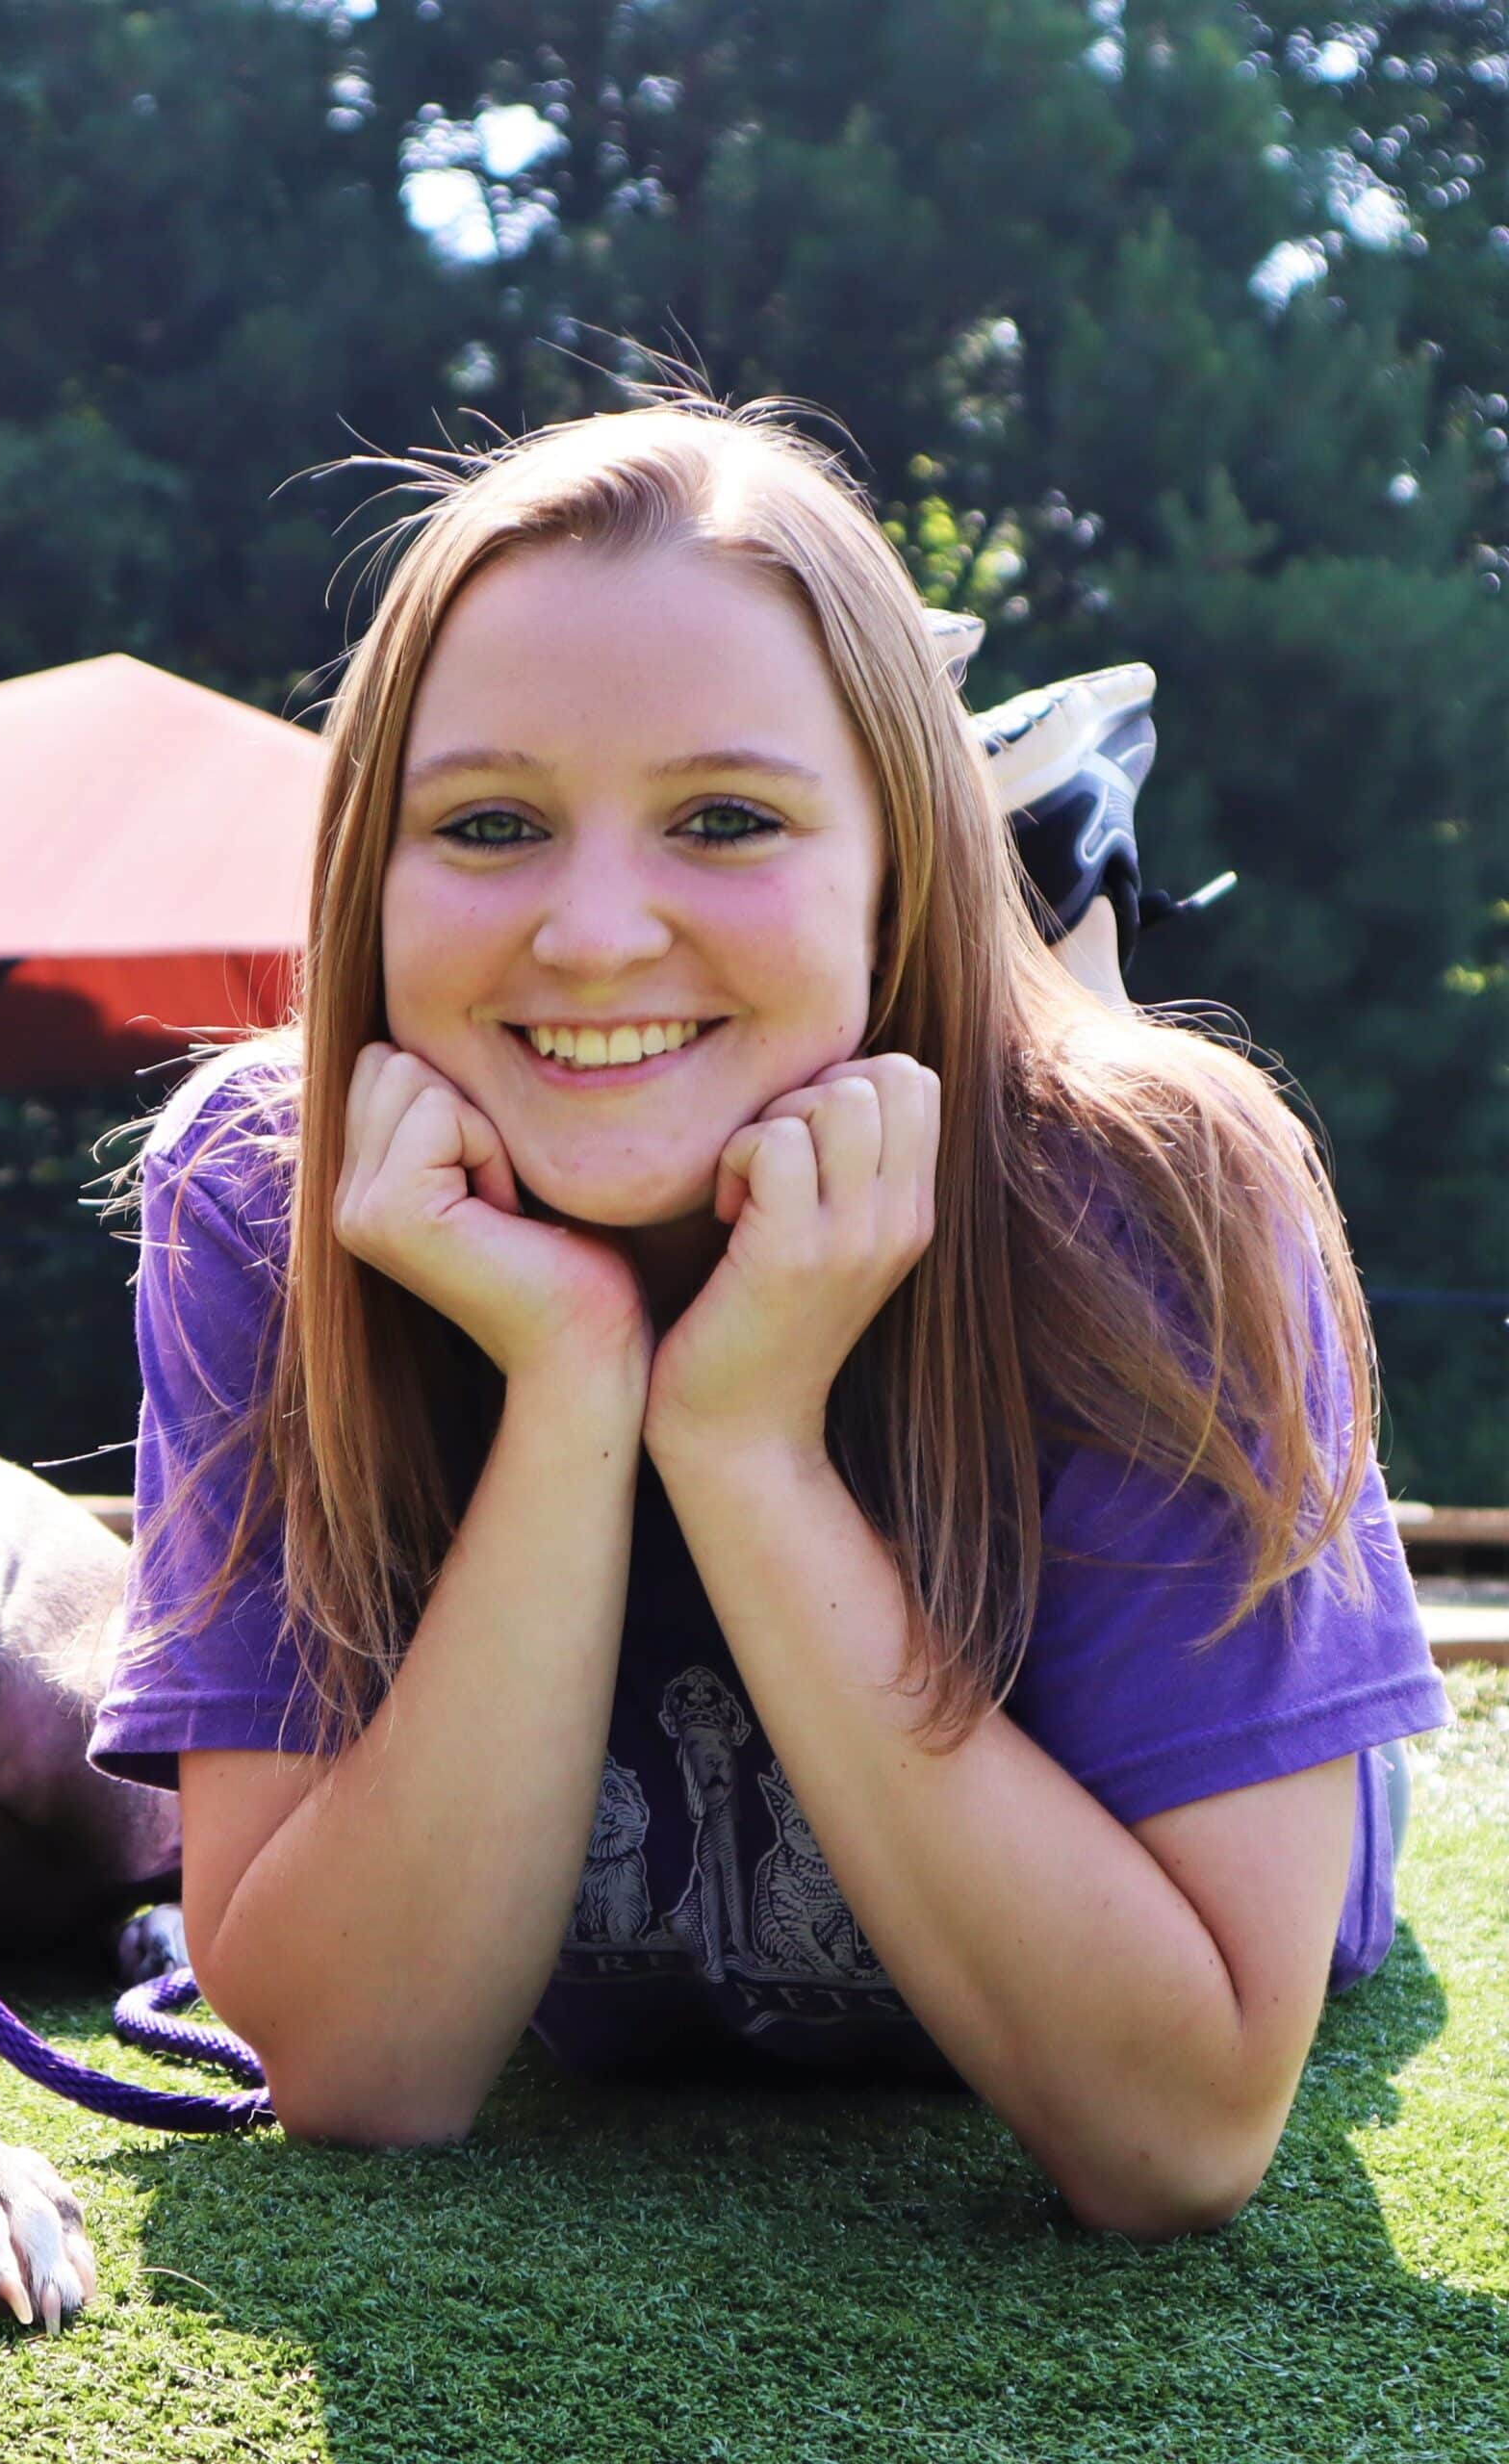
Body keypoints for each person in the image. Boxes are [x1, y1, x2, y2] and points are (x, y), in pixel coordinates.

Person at [87, 395, 1445, 2236]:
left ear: (898, 868)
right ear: (366, 879)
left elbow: (1176, 2133)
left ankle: (1063, 864)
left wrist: (743, 1444)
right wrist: (576, 1386)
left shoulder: (1159, 1195)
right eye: (489, 822)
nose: (589, 934)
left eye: (725, 817)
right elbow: (360, 2068)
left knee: (1091, 1084)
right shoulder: (271, 1187)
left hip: (1192, 1701)